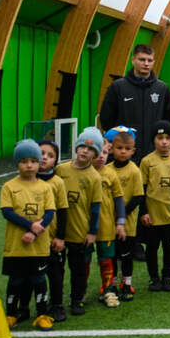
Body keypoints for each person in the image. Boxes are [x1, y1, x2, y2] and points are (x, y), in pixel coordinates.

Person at [0, 139, 57, 330]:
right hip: (16, 246)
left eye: (33, 161)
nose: (29, 165)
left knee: (39, 280)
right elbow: (7, 212)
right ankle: (11, 314)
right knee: (15, 280)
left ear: (39, 162)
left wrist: (34, 232)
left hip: (38, 246)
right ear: (17, 163)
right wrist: (31, 226)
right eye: (24, 161)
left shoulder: (45, 187)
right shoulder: (9, 186)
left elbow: (50, 213)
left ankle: (42, 314)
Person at [55, 127, 104, 315]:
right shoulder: (61, 169)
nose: (85, 151)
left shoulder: (94, 177)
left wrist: (92, 232)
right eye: (83, 146)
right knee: (56, 270)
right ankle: (56, 303)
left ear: (95, 154)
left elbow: (95, 207)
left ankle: (77, 300)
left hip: (79, 231)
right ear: (76, 147)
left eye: (91, 149)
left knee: (78, 270)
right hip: (59, 232)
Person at [99, 43, 170, 163]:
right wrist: (121, 143)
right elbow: (106, 119)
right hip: (125, 153)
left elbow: (166, 120)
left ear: (154, 62)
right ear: (133, 60)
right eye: (142, 59)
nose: (146, 64)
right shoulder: (118, 87)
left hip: (152, 153)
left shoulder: (162, 88)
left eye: (150, 60)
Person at [139, 121, 170, 292]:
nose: (164, 142)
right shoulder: (147, 161)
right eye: (160, 138)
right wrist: (143, 212)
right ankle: (154, 278)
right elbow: (142, 189)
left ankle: (167, 276)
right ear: (154, 140)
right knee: (151, 249)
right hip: (152, 216)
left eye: (167, 138)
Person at [106, 128, 144, 302]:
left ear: (133, 151)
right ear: (111, 149)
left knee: (126, 255)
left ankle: (127, 284)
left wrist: (122, 214)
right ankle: (112, 284)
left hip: (127, 223)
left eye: (127, 149)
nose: (123, 151)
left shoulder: (134, 170)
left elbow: (138, 196)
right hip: (108, 222)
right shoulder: (106, 169)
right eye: (119, 148)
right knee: (112, 256)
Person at [36, 140, 69, 322]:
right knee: (32, 275)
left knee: (55, 274)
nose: (44, 158)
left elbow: (63, 211)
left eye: (50, 155)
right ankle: (30, 306)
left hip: (52, 239)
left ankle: (57, 305)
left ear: (55, 161)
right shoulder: (26, 181)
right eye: (41, 153)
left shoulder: (57, 182)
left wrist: (60, 237)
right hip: (33, 240)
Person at [92, 139, 126, 307]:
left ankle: (108, 290)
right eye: (98, 152)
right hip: (82, 226)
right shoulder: (77, 172)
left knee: (106, 259)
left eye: (105, 152)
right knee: (82, 261)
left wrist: (120, 222)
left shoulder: (110, 173)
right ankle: (78, 294)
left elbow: (119, 199)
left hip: (105, 225)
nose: (101, 156)